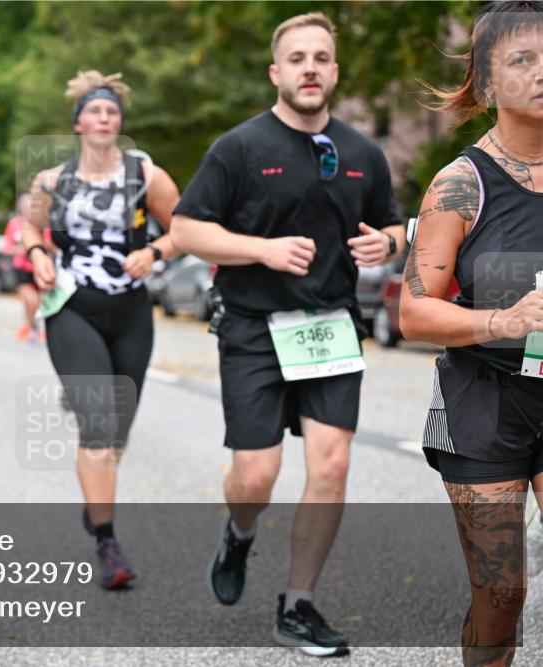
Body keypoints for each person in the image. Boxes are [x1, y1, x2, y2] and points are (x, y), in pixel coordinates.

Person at [171, 12, 406, 656]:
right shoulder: (239, 147)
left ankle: (298, 605)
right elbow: (186, 229)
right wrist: (262, 250)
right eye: (297, 58)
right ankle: (239, 532)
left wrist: (386, 244)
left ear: (334, 71)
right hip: (253, 327)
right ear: (276, 72)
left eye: (321, 58)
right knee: (255, 477)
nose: (310, 68)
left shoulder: (363, 154)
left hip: (331, 327)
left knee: (332, 463)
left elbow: (392, 226)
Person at [398, 3, 543, 665]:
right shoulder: (460, 185)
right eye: (523, 60)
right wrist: (503, 321)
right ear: (486, 82)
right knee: (502, 592)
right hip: (484, 400)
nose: (541, 73)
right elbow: (414, 312)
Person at [24, 70, 181, 589]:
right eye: (94, 110)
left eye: (112, 112)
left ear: (120, 123)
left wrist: (154, 251)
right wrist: (37, 253)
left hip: (130, 311)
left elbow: (185, 228)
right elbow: (30, 225)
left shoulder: (146, 175)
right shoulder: (52, 180)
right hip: (73, 308)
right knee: (96, 422)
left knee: (117, 433)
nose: (104, 118)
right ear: (78, 122)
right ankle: (108, 544)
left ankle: (97, 501)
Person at [3, 194, 45, 342]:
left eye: (31, 204)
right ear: (20, 207)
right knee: (29, 300)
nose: (28, 207)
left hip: (38, 266)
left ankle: (32, 325)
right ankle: (33, 327)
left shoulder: (41, 223)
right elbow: (6, 246)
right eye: (25, 204)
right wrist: (17, 249)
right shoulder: (14, 224)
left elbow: (48, 243)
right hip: (21, 267)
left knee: (38, 302)